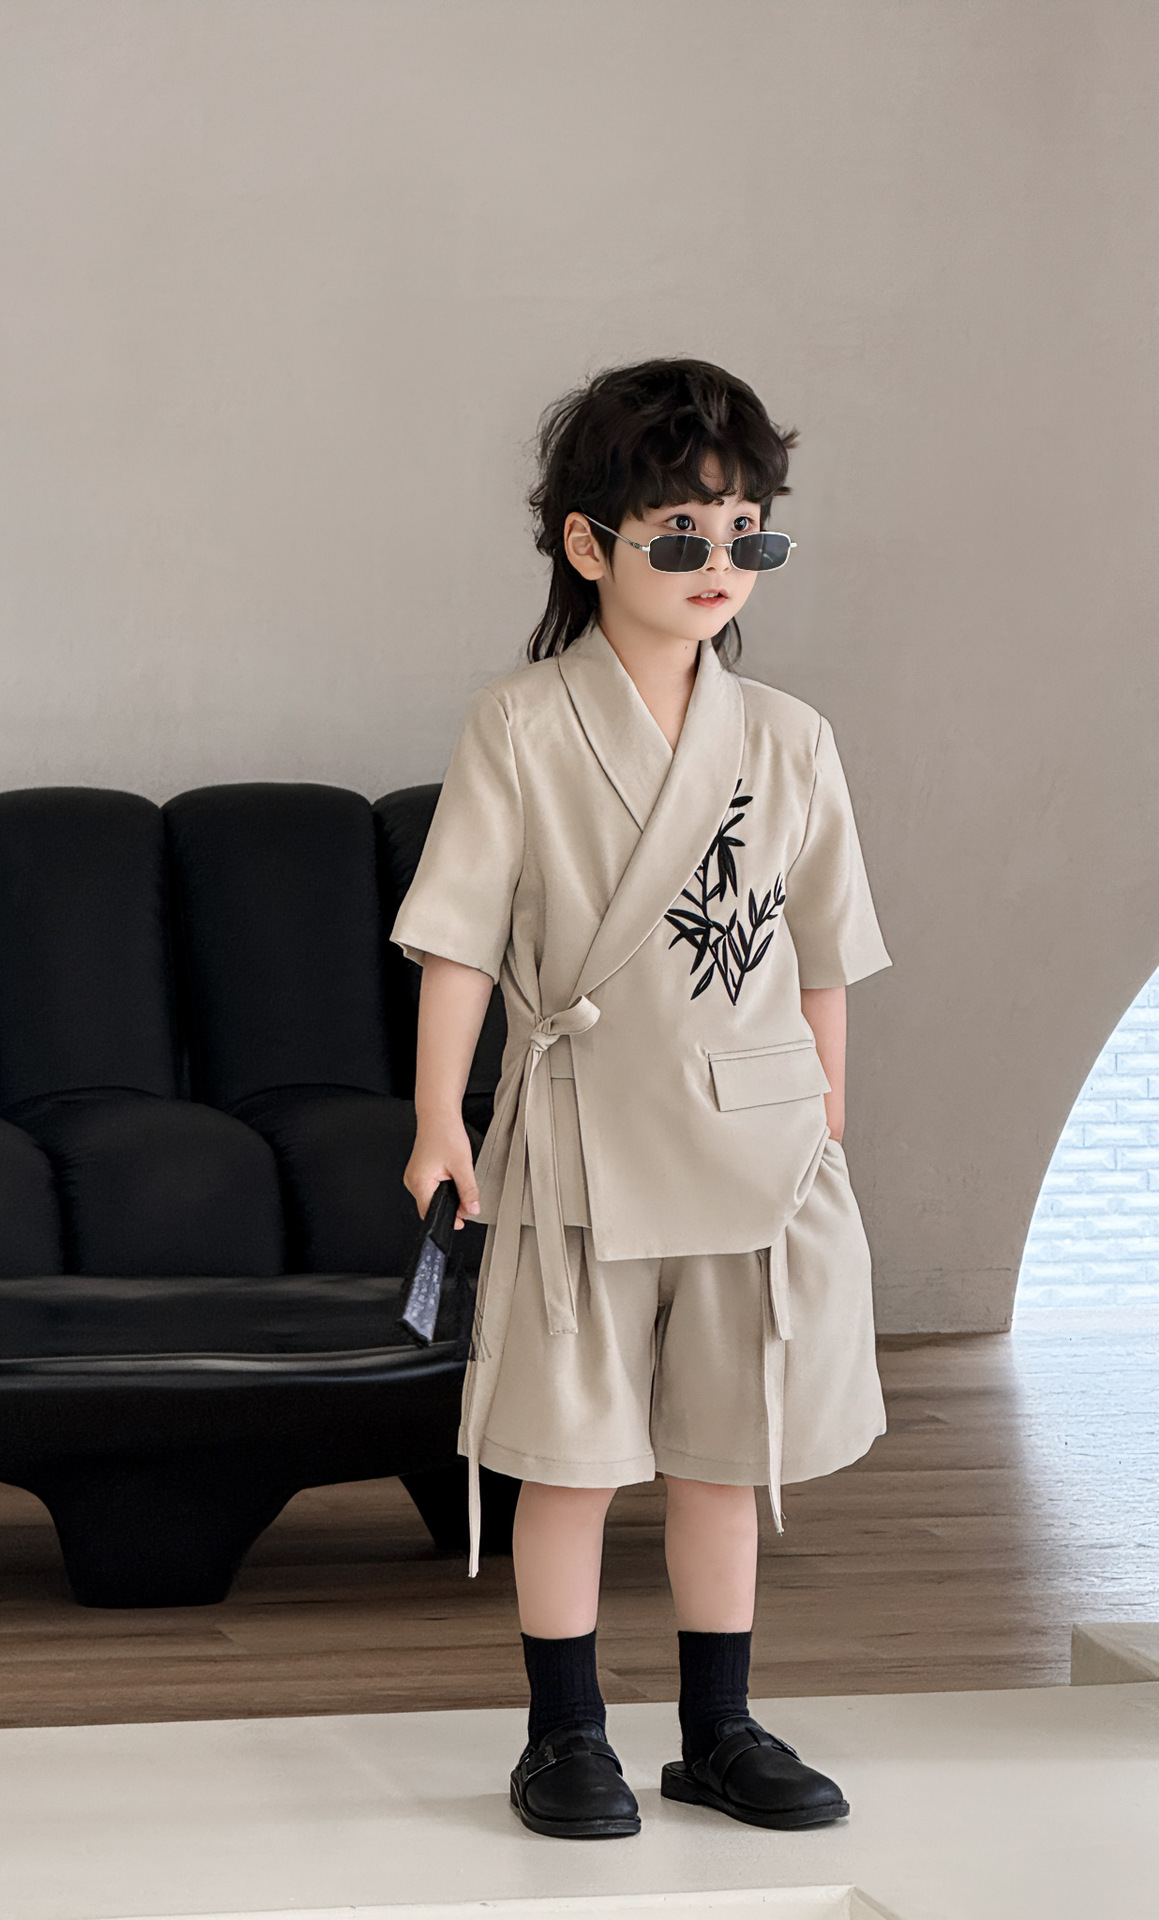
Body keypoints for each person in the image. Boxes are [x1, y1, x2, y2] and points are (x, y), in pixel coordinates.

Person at [390, 358, 892, 1840]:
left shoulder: (790, 737)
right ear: (589, 543)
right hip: (581, 1139)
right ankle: (564, 1734)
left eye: (748, 534)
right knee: (572, 1458)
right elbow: (459, 938)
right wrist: (439, 1120)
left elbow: (823, 955)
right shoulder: (522, 724)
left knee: (727, 1454)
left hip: (754, 1140)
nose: (719, 565)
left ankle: (719, 1730)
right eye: (682, 535)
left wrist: (826, 1123)